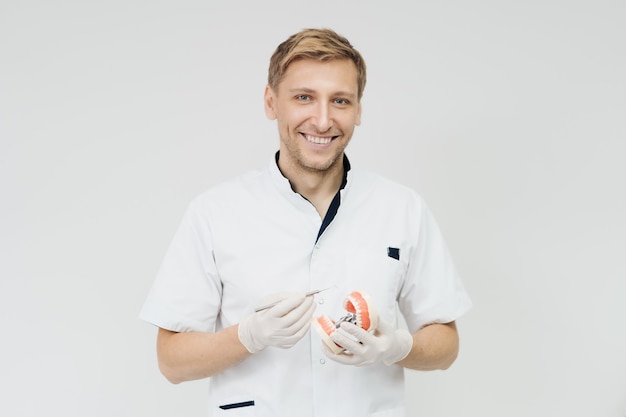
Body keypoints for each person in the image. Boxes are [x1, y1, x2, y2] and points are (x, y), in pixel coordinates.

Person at [140, 28, 472, 417]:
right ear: (270, 102)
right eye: (304, 97)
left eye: (341, 101)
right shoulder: (215, 213)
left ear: (359, 110)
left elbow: (446, 346)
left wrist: (396, 346)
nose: (322, 119)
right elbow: (172, 362)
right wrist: (248, 336)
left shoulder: (403, 209)